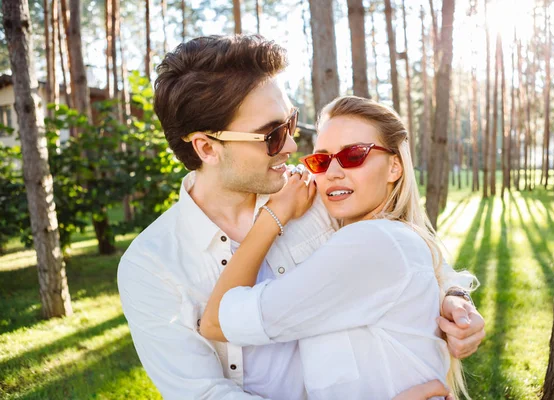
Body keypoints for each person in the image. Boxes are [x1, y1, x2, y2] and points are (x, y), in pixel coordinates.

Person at [117, 35, 485, 400]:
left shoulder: (320, 195)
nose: (293, 146)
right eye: (272, 135)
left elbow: (404, 255)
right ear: (207, 148)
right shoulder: (151, 265)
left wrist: (454, 299)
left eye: (290, 123)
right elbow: (203, 395)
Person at [199, 95, 475, 399]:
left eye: (354, 155)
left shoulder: (371, 242)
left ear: (395, 167)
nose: (332, 172)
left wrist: (272, 217)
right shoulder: (386, 237)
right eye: (321, 159)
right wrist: (455, 294)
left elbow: (217, 320)